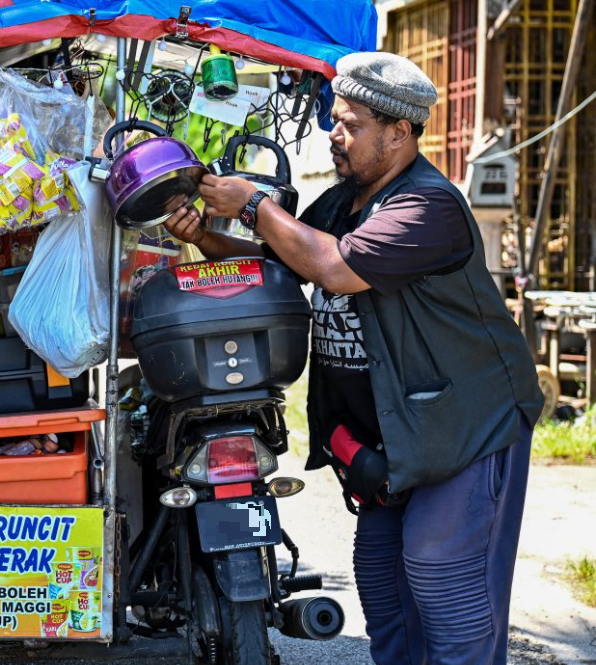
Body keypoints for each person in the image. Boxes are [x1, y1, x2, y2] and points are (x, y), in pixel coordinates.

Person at [164, 52, 544, 665]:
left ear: (399, 133)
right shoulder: (346, 202)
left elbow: (333, 268)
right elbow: (286, 261)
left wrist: (251, 204)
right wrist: (205, 237)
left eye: (351, 125)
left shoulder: (426, 207)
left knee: (443, 582)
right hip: (390, 434)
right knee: (383, 584)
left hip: (465, 429)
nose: (334, 136)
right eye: (334, 121)